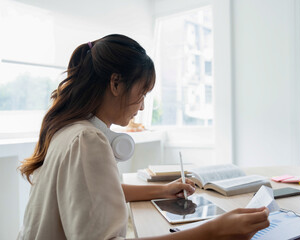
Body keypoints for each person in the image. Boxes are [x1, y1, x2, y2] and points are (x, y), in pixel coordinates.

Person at [18, 34, 269, 240]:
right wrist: (214, 231)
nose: (142, 107)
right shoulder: (87, 140)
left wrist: (164, 190)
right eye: (143, 92)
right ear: (116, 83)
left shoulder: (68, 129)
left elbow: (97, 191)